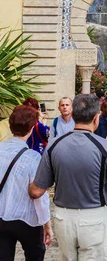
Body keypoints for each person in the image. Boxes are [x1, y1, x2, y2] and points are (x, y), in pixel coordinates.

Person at [29, 94, 107, 261]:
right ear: (96, 118)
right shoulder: (106, 148)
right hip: (94, 217)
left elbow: (37, 190)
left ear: (73, 115)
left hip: (63, 217)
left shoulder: (54, 145)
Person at [0, 105, 52, 261]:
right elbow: (38, 195)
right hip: (27, 218)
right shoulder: (33, 157)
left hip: (1, 216)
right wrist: (46, 223)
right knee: (35, 255)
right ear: (31, 128)